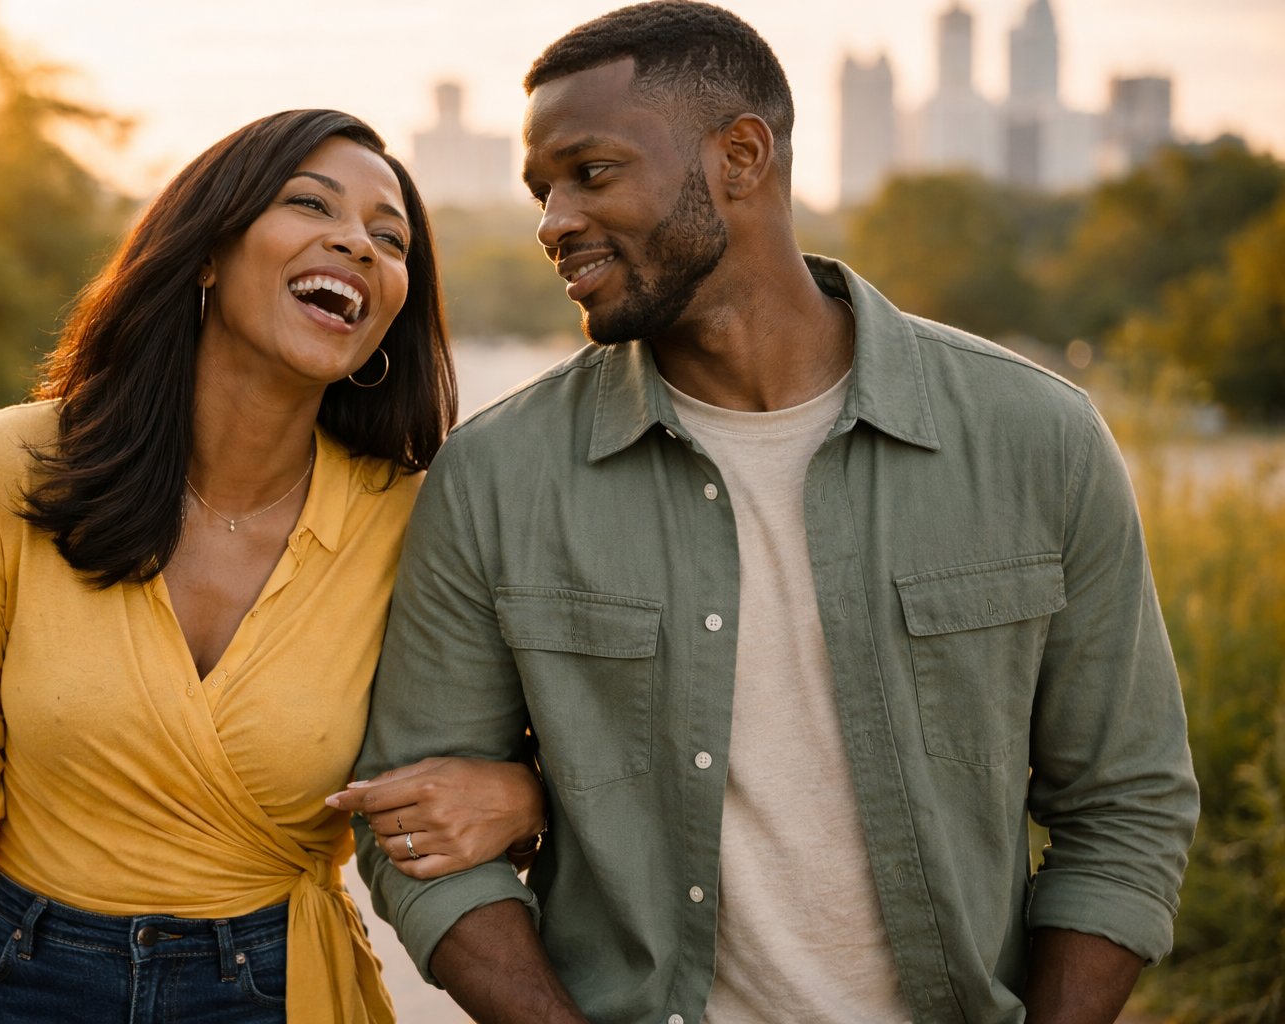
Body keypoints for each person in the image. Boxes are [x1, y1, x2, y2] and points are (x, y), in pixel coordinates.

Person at [342, 4, 1200, 1023]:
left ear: (740, 156)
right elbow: (415, 836)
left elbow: (1124, 806)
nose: (552, 220)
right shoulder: (495, 474)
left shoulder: (1036, 440)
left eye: (592, 172)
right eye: (541, 190)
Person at [0, 108, 544, 1024]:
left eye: (391, 239)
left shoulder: (418, 520)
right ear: (210, 250)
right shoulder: (5, 469)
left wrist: (529, 791)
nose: (356, 242)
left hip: (274, 988)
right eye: (311, 204)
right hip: (19, 981)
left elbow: (576, 742)